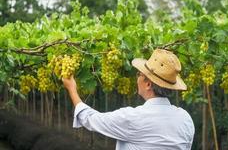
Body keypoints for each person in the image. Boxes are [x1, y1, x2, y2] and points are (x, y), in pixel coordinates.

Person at [62, 49, 195, 150]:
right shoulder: (186, 119)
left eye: (139, 74)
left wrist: (72, 89)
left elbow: (90, 119)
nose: (136, 78)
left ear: (148, 84)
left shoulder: (133, 118)